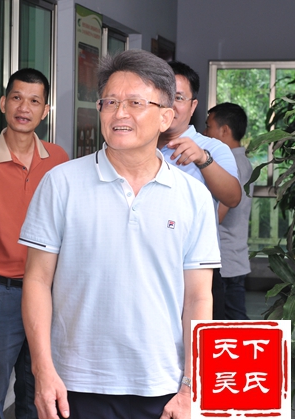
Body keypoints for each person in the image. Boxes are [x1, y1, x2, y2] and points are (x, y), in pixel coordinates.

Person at [20, 49, 220, 419]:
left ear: (166, 116)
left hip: (162, 385)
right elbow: (36, 280)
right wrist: (43, 370)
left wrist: (192, 386)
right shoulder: (61, 183)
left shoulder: (193, 197)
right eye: (110, 102)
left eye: (135, 103)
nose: (119, 113)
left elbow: (197, 299)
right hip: (75, 383)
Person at [0, 68, 69, 419]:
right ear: (3, 103)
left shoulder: (59, 160)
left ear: (45, 111)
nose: (24, 108)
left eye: (34, 101)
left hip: (46, 293)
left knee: (38, 393)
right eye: (17, 98)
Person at [158, 60, 241, 320]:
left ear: (193, 106)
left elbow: (232, 197)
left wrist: (203, 159)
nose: (170, 105)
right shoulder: (136, 146)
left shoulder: (213, 148)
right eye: (163, 95)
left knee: (198, 341)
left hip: (197, 268)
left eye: (178, 97)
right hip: (148, 268)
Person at [204, 102, 253, 320]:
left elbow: (218, 216)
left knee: (232, 324)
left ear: (224, 130)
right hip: (233, 258)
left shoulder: (231, 163)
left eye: (209, 126)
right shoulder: (242, 161)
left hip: (226, 262)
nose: (205, 132)